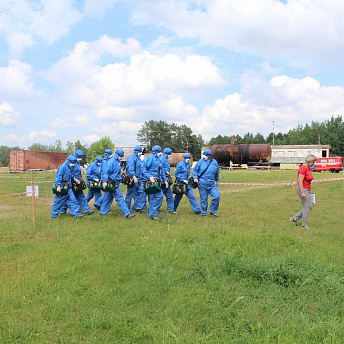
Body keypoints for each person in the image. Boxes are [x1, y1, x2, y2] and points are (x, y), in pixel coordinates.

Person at [100, 148, 135, 218]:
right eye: (122, 155)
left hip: (115, 182)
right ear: (117, 154)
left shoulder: (118, 162)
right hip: (111, 182)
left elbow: (117, 173)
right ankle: (127, 214)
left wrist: (119, 180)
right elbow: (106, 172)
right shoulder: (111, 162)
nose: (122, 156)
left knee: (108, 197)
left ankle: (103, 212)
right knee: (120, 197)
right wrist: (105, 181)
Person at [60, 150, 94, 215]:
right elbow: (69, 171)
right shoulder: (71, 160)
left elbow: (77, 171)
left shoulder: (77, 161)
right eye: (80, 157)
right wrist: (74, 179)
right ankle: (62, 211)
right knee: (68, 197)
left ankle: (86, 210)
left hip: (77, 182)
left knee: (81, 196)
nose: (80, 158)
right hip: (71, 182)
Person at [290, 154, 317, 229]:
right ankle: (304, 225)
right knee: (307, 207)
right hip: (303, 189)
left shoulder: (308, 168)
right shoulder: (303, 168)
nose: (313, 164)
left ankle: (295, 218)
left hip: (307, 188)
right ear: (309, 161)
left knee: (309, 206)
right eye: (313, 162)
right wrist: (303, 192)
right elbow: (300, 181)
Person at [142, 145, 168, 220]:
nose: (161, 153)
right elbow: (143, 169)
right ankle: (152, 213)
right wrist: (149, 176)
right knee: (159, 196)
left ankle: (152, 213)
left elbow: (162, 171)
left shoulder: (158, 159)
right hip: (150, 182)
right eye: (159, 151)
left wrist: (165, 180)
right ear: (156, 151)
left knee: (156, 197)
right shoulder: (150, 158)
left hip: (157, 182)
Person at [193, 149, 220, 217]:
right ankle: (204, 213)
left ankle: (213, 211)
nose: (204, 156)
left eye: (205, 155)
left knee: (216, 196)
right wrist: (195, 178)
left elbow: (217, 172)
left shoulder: (214, 162)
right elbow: (195, 170)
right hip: (202, 183)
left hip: (212, 183)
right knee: (204, 199)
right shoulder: (200, 161)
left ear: (209, 155)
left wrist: (217, 181)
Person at [124, 145, 146, 212]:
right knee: (130, 194)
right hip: (133, 179)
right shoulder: (131, 158)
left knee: (142, 192)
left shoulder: (138, 158)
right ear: (138, 151)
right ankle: (126, 209)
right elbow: (131, 168)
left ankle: (137, 207)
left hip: (139, 178)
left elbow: (140, 168)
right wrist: (134, 176)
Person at [159, 147, 177, 214]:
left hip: (166, 180)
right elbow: (160, 168)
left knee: (169, 195)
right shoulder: (162, 158)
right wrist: (166, 171)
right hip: (162, 180)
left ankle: (171, 210)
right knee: (159, 196)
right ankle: (155, 209)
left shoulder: (165, 159)